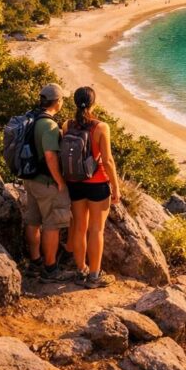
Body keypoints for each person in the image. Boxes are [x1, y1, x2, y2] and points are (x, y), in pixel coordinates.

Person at [63, 86, 121, 288]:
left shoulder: (66, 125)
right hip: (97, 184)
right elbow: (108, 160)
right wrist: (115, 187)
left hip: (75, 183)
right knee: (96, 229)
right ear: (94, 103)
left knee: (79, 227)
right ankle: (94, 276)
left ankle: (81, 270)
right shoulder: (101, 127)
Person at [22, 84, 75, 282]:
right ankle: (50, 269)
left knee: (33, 221)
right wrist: (60, 181)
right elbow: (50, 156)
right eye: (62, 99)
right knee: (52, 224)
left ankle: (34, 262)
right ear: (58, 101)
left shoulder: (32, 117)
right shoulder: (50, 126)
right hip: (46, 182)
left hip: (30, 179)